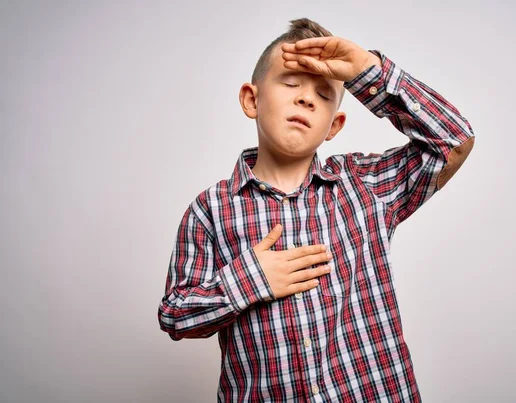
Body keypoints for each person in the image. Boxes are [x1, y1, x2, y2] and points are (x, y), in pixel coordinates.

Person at [157, 17, 475, 402]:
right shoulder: (210, 210)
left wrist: (366, 71)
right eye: (290, 84)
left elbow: (452, 140)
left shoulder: (364, 186)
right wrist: (249, 281)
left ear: (334, 125)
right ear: (251, 99)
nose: (306, 98)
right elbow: (175, 314)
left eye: (323, 96)